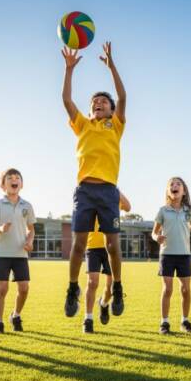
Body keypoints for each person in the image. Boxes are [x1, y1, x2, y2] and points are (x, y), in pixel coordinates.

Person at [61, 41, 129, 326]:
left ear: (111, 110)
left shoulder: (115, 125)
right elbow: (66, 101)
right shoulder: (83, 125)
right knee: (78, 244)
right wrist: (68, 70)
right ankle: (72, 288)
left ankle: (117, 287)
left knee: (113, 245)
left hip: (108, 190)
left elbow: (123, 96)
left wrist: (111, 66)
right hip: (85, 190)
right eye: (94, 103)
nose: (98, 104)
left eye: (103, 102)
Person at [152, 177, 191, 334]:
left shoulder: (188, 212)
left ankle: (185, 321)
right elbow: (154, 232)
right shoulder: (163, 211)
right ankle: (164, 323)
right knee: (167, 289)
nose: (174, 186)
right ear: (167, 191)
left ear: (184, 191)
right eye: (171, 184)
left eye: (178, 184)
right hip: (167, 255)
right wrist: (156, 237)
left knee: (185, 289)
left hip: (184, 255)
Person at [0, 168, 36, 334]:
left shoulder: (27, 206)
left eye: (17, 178)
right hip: (1, 253)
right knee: (2, 288)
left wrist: (29, 241)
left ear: (21, 184)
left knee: (24, 288)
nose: (14, 180)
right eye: (10, 178)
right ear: (3, 185)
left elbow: (31, 229)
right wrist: (0, 228)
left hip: (20, 254)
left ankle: (15, 315)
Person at [83, 192, 131, 333]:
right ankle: (88, 319)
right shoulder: (90, 195)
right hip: (92, 247)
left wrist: (115, 190)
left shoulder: (113, 198)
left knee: (110, 288)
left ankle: (103, 304)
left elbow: (128, 207)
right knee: (92, 282)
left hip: (110, 247)